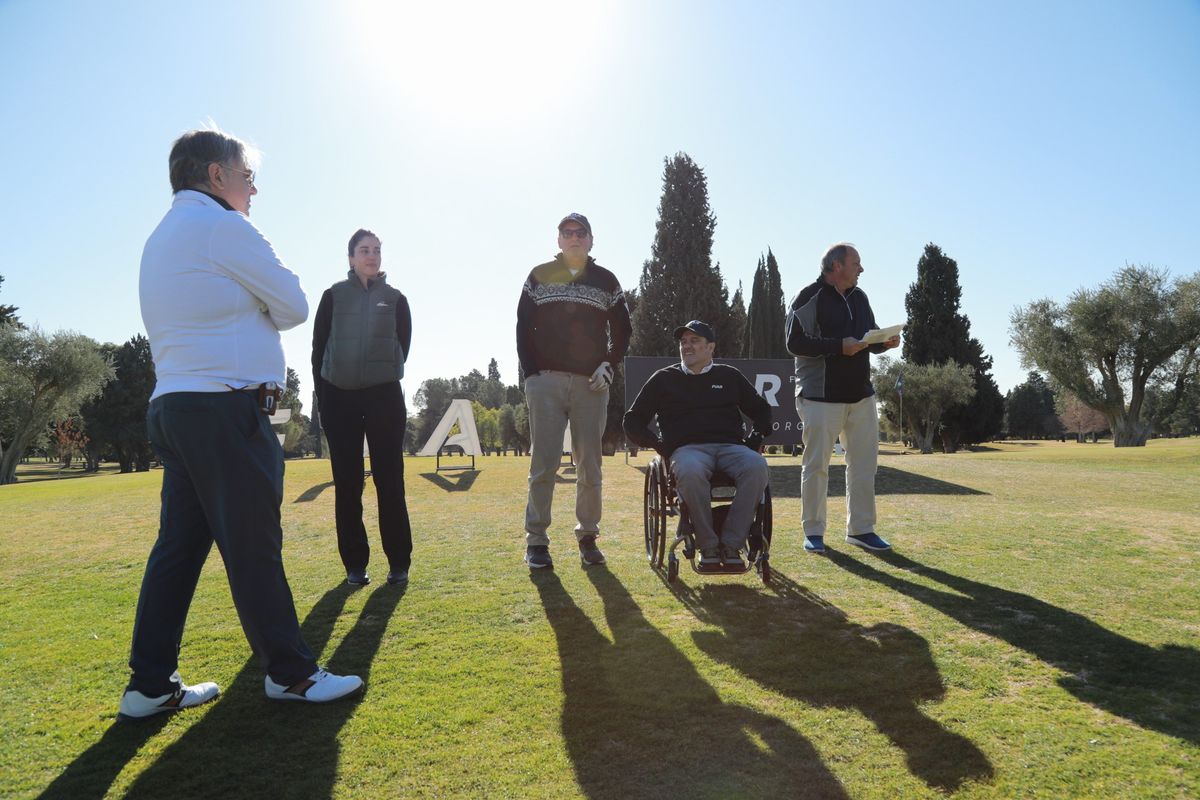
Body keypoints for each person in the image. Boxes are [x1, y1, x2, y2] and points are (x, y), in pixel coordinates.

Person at [120, 127, 362, 720]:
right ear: (215, 176)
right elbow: (294, 306)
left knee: (178, 550)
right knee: (253, 544)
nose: (253, 189)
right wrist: (256, 302)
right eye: (246, 176)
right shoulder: (224, 227)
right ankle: (291, 675)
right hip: (223, 410)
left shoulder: (161, 235)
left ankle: (149, 685)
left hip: (177, 409)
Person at [516, 212, 632, 569]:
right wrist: (532, 374)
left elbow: (624, 330)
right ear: (558, 240)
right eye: (567, 232)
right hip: (545, 382)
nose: (574, 237)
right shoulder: (538, 275)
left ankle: (588, 537)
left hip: (590, 384)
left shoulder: (607, 280)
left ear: (591, 240)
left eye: (581, 232)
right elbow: (523, 327)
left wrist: (609, 364)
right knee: (543, 465)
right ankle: (537, 541)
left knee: (589, 466)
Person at [623, 320, 771, 570]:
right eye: (683, 342)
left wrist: (754, 440)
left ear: (710, 347)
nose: (687, 346)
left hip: (730, 447)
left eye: (694, 341)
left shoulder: (729, 376)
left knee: (757, 466)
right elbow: (632, 420)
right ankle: (708, 545)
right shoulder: (663, 379)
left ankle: (732, 544)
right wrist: (659, 446)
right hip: (687, 450)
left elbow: (761, 410)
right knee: (690, 471)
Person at [311, 229, 413, 587]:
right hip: (340, 398)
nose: (372, 256)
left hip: (385, 397)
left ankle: (399, 563)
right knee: (348, 483)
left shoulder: (396, 299)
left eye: (376, 250)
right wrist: (324, 400)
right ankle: (355, 565)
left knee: (390, 480)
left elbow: (403, 346)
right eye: (364, 250)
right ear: (351, 257)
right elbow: (318, 350)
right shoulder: (332, 296)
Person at [784, 242, 901, 555]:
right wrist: (839, 346)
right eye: (856, 264)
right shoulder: (808, 296)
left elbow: (868, 337)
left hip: (861, 395)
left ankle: (861, 530)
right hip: (819, 397)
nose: (861, 269)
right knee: (816, 466)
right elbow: (794, 342)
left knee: (864, 466)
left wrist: (885, 342)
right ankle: (813, 532)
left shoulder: (860, 297)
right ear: (837, 266)